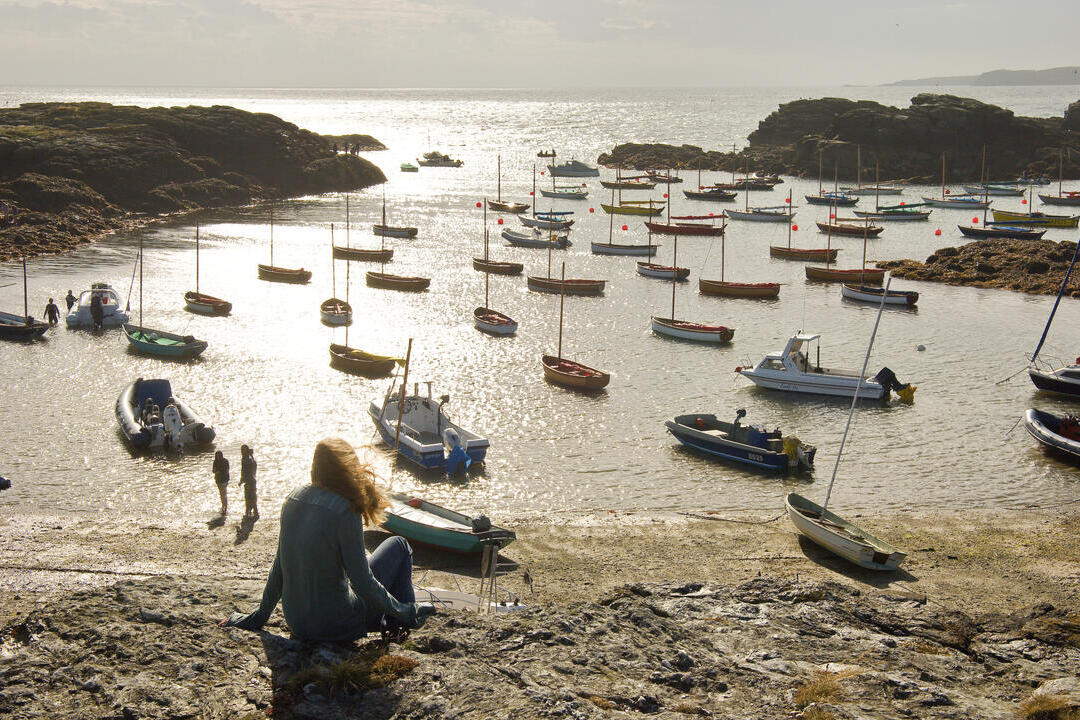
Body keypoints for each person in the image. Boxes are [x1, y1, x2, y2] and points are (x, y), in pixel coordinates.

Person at [222, 438, 435, 641]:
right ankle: (402, 625)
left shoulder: (292, 498)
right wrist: (406, 609)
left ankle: (395, 623)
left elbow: (279, 568)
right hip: (336, 625)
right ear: (347, 468)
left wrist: (258, 617)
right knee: (399, 545)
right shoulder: (345, 509)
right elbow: (362, 581)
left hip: (298, 624)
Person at [240, 445, 258, 519]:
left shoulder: (247, 459)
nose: (242, 452)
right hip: (250, 480)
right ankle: (252, 512)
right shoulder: (250, 458)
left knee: (249, 497)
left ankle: (249, 512)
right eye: (242, 450)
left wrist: (243, 479)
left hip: (250, 481)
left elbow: (245, 471)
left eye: (243, 450)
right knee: (251, 497)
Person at [213, 451, 230, 515]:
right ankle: (223, 505)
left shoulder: (225, 461)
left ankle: (225, 507)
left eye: (219, 456)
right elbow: (213, 470)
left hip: (224, 479)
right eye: (217, 456)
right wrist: (215, 471)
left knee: (223, 493)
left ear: (221, 455)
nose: (218, 457)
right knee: (221, 494)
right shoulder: (215, 462)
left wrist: (220, 472)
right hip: (218, 480)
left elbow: (227, 470)